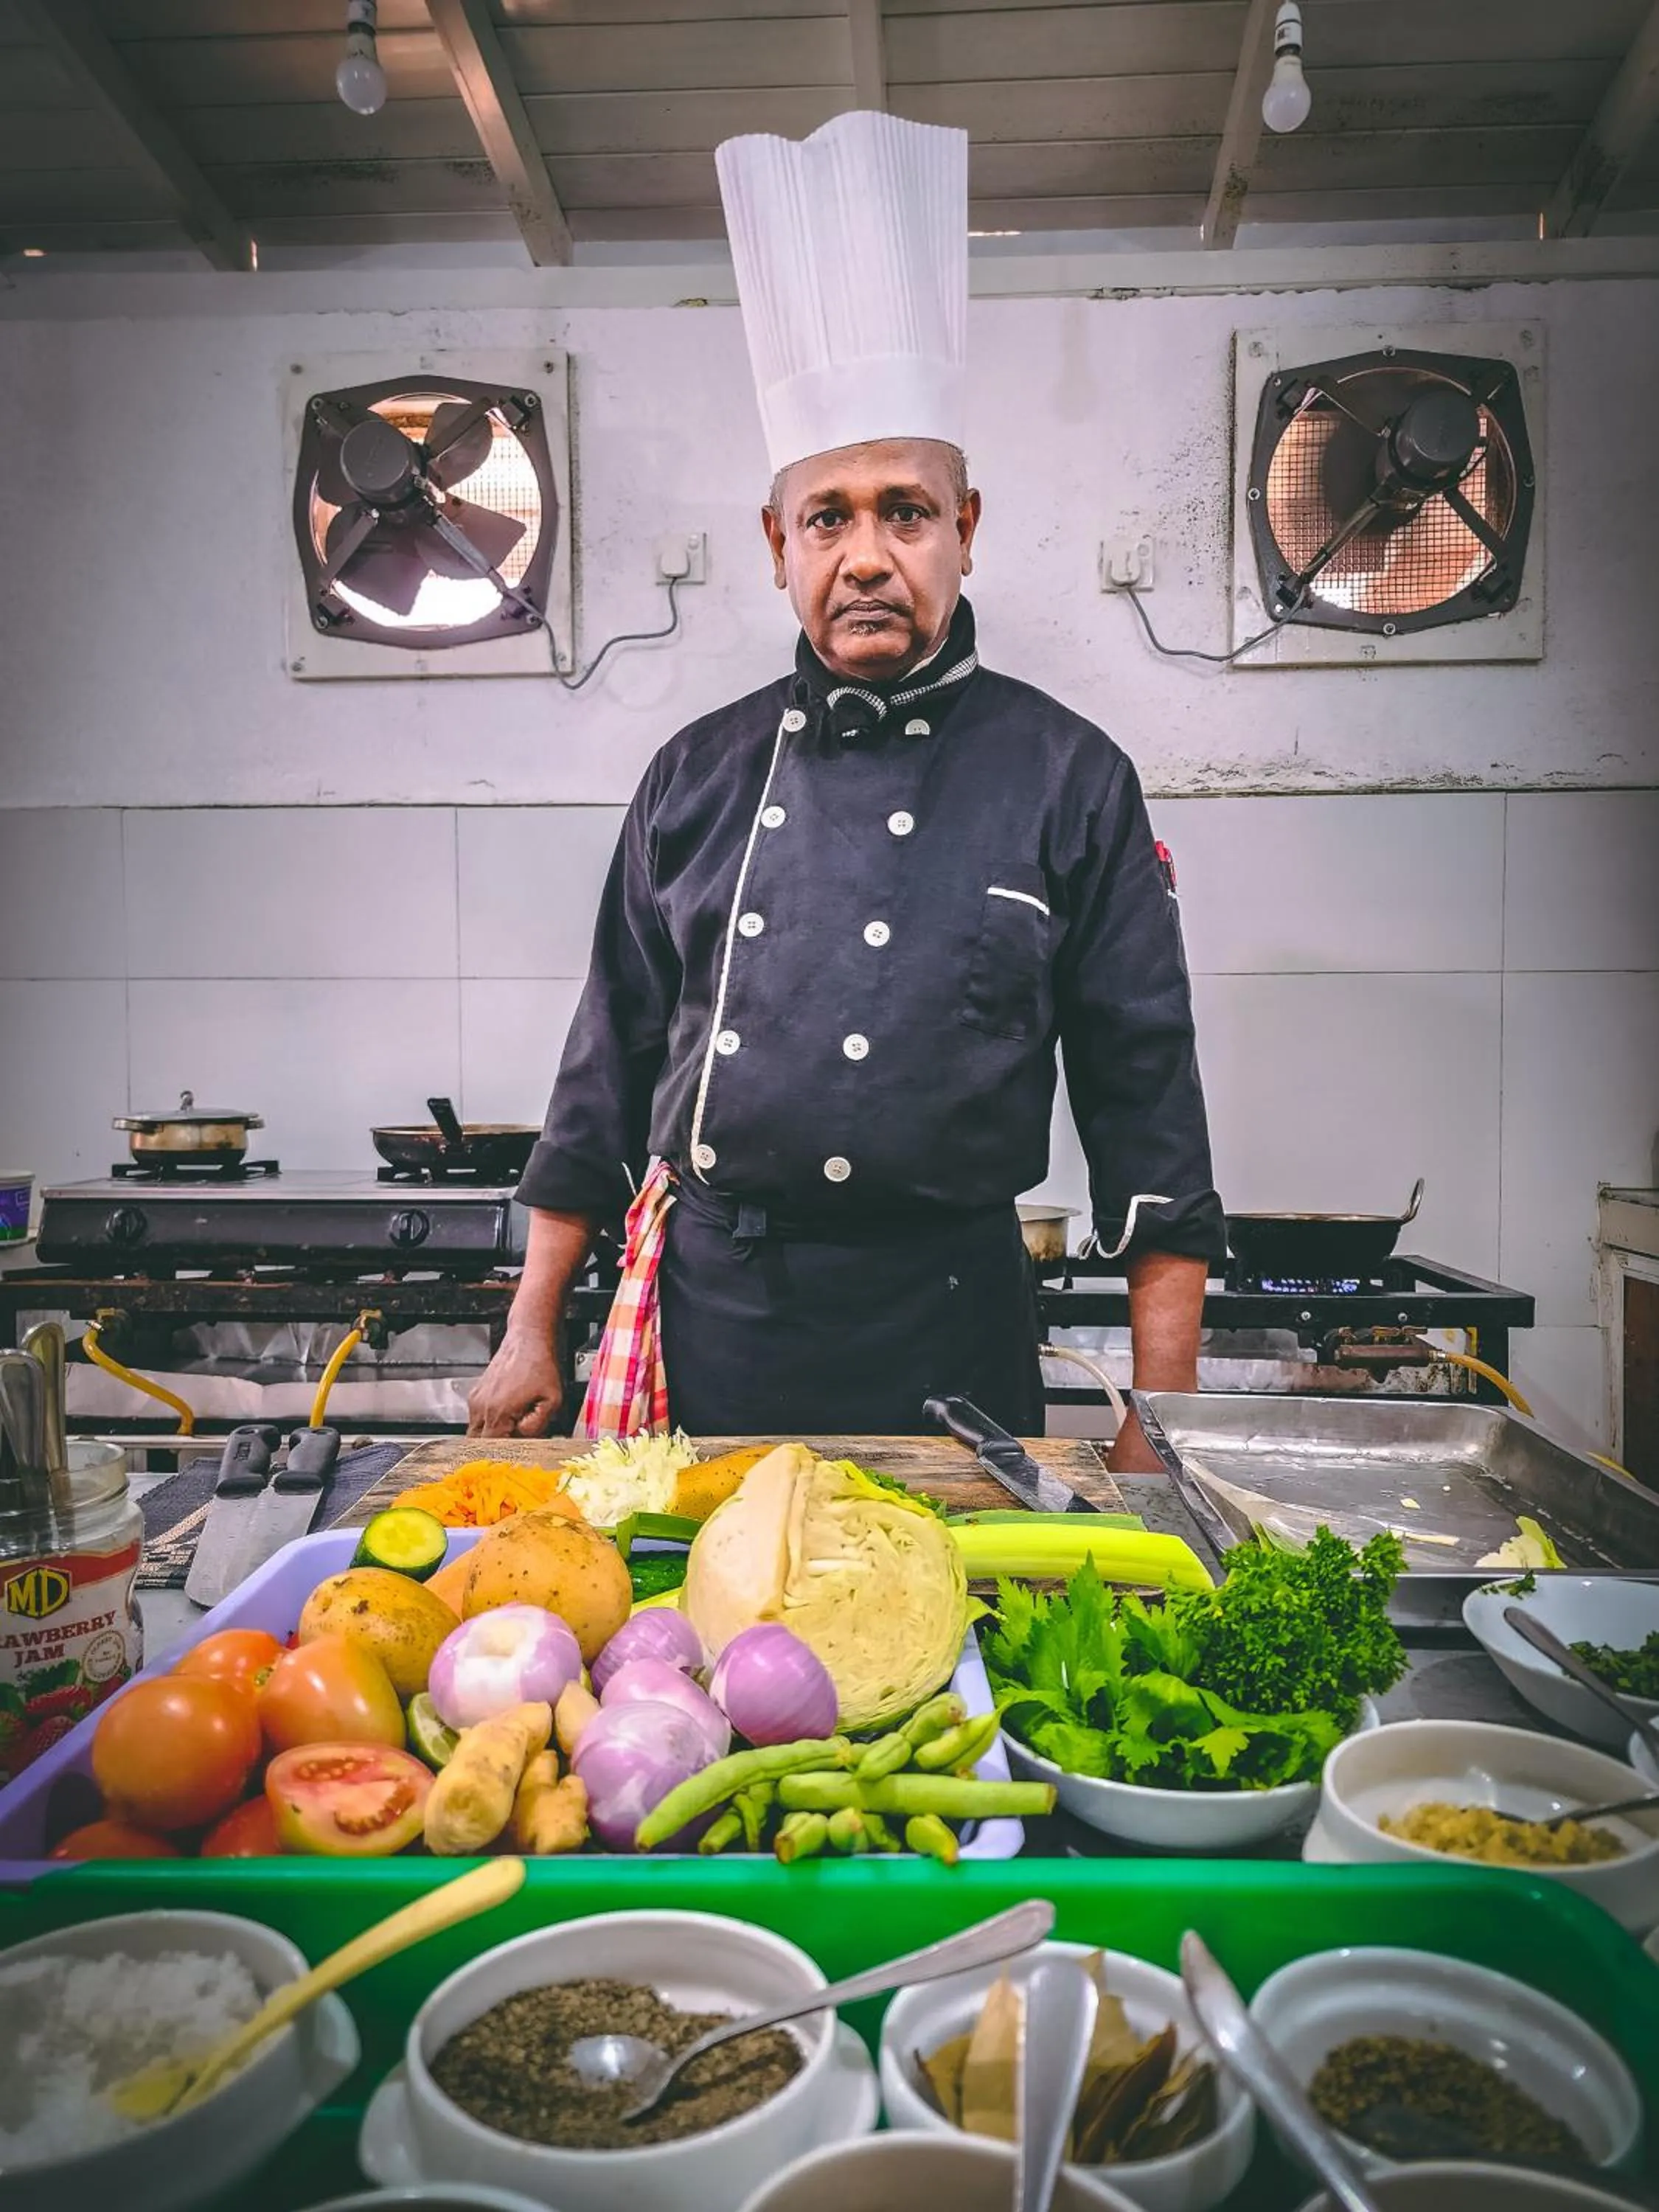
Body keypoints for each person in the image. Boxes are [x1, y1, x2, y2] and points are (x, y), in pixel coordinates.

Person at [468, 111, 1223, 1470]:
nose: (866, 555)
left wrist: (1156, 1414)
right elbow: (603, 1069)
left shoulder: (1070, 776)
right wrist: (530, 1325)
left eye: (904, 511)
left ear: (964, 531)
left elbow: (1145, 1106)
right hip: (718, 1323)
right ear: (778, 545)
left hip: (954, 1323)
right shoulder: (693, 775)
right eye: (829, 517)